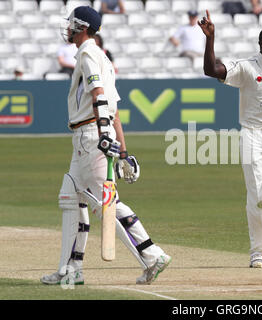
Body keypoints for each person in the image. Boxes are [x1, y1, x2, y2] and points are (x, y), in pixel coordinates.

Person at [40, 6, 171, 286]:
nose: (69, 29)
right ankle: (70, 269)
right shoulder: (103, 58)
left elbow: (99, 95)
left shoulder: (88, 54)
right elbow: (116, 111)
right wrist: (122, 150)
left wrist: (103, 135)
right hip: (91, 135)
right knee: (71, 198)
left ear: (83, 28)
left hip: (91, 135)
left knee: (106, 204)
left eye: (73, 24)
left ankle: (152, 255)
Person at [198, 10, 262, 268]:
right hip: (252, 136)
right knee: (255, 196)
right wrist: (211, 38)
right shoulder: (246, 67)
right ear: (261, 43)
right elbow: (211, 70)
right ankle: (257, 251)